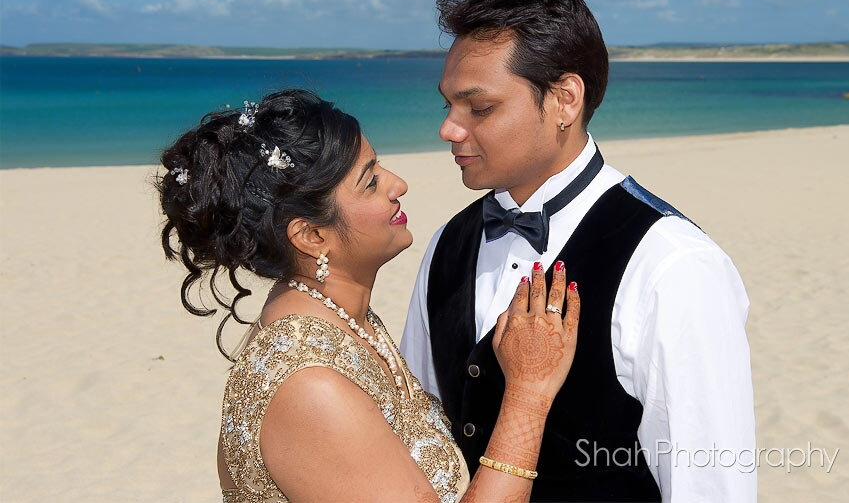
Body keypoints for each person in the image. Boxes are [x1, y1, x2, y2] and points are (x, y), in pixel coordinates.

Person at [400, 0, 757, 502]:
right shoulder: (446, 245)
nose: (449, 129)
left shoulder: (672, 264)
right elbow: (423, 444)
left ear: (565, 100)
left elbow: (710, 484)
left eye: (479, 108)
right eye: (448, 105)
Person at [157, 88, 582, 503]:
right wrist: (528, 393)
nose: (398, 184)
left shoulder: (344, 321)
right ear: (311, 235)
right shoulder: (311, 386)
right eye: (369, 182)